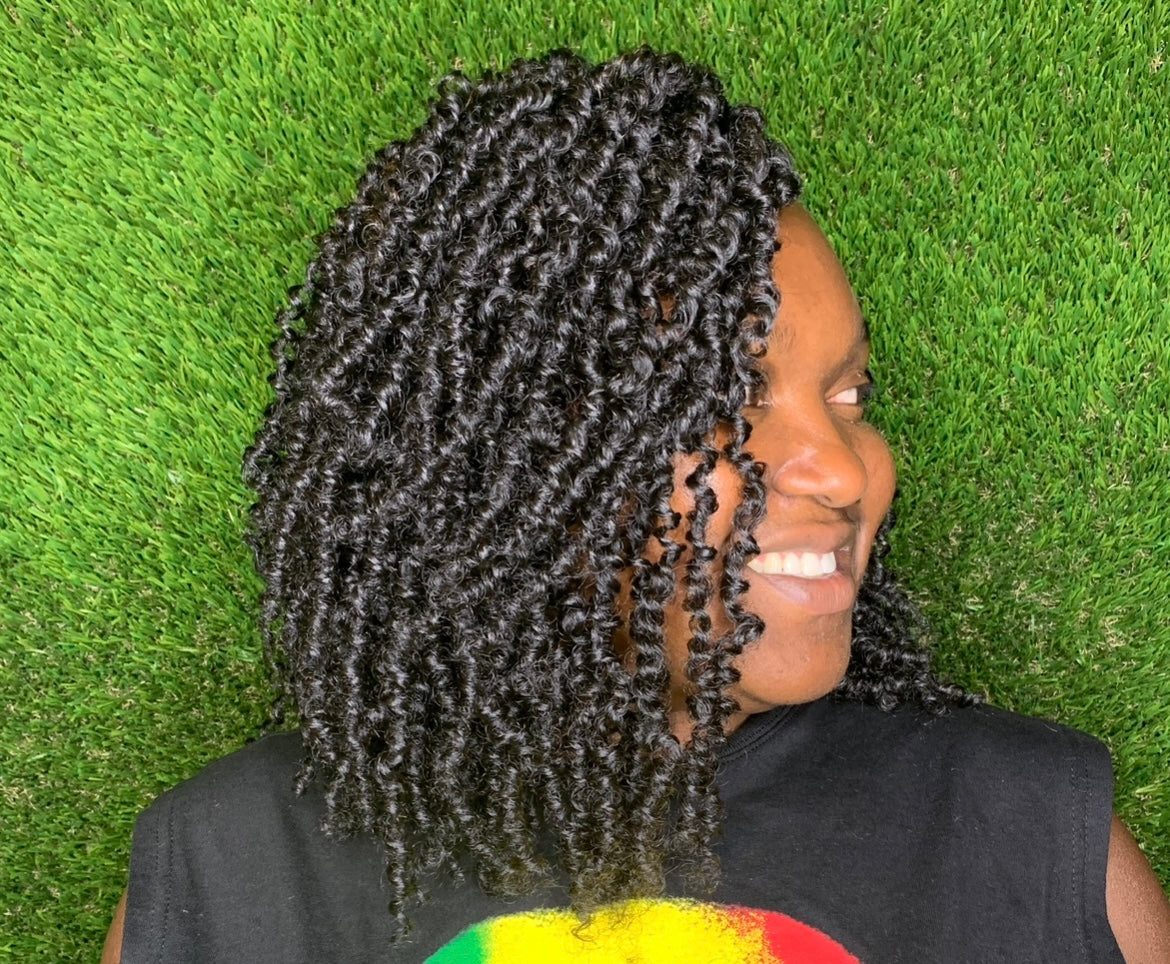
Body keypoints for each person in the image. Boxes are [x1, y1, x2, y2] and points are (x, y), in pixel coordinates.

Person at [102, 47, 1170, 963]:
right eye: (717, 406)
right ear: (504, 453)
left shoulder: (1025, 828)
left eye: (848, 396)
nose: (843, 473)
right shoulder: (233, 864)